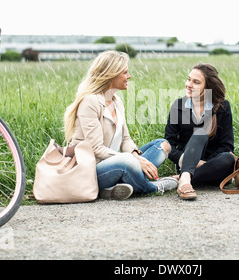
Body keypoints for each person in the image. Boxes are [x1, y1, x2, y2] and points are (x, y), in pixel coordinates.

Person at [63, 50, 177, 200]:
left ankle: (113, 188)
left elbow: (126, 139)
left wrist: (136, 156)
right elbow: (96, 149)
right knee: (126, 162)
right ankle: (154, 187)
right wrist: (133, 160)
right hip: (93, 170)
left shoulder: (116, 101)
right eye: (125, 72)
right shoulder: (90, 102)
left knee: (162, 145)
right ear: (111, 75)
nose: (129, 76)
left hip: (118, 161)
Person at [164, 63, 235, 200]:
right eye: (189, 79)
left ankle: (182, 178)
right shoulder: (178, 106)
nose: (189, 84)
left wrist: (205, 163)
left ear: (208, 87)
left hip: (212, 165)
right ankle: (186, 179)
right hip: (186, 161)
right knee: (200, 133)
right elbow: (169, 145)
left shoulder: (222, 107)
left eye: (196, 82)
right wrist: (188, 160)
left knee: (229, 158)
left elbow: (226, 146)